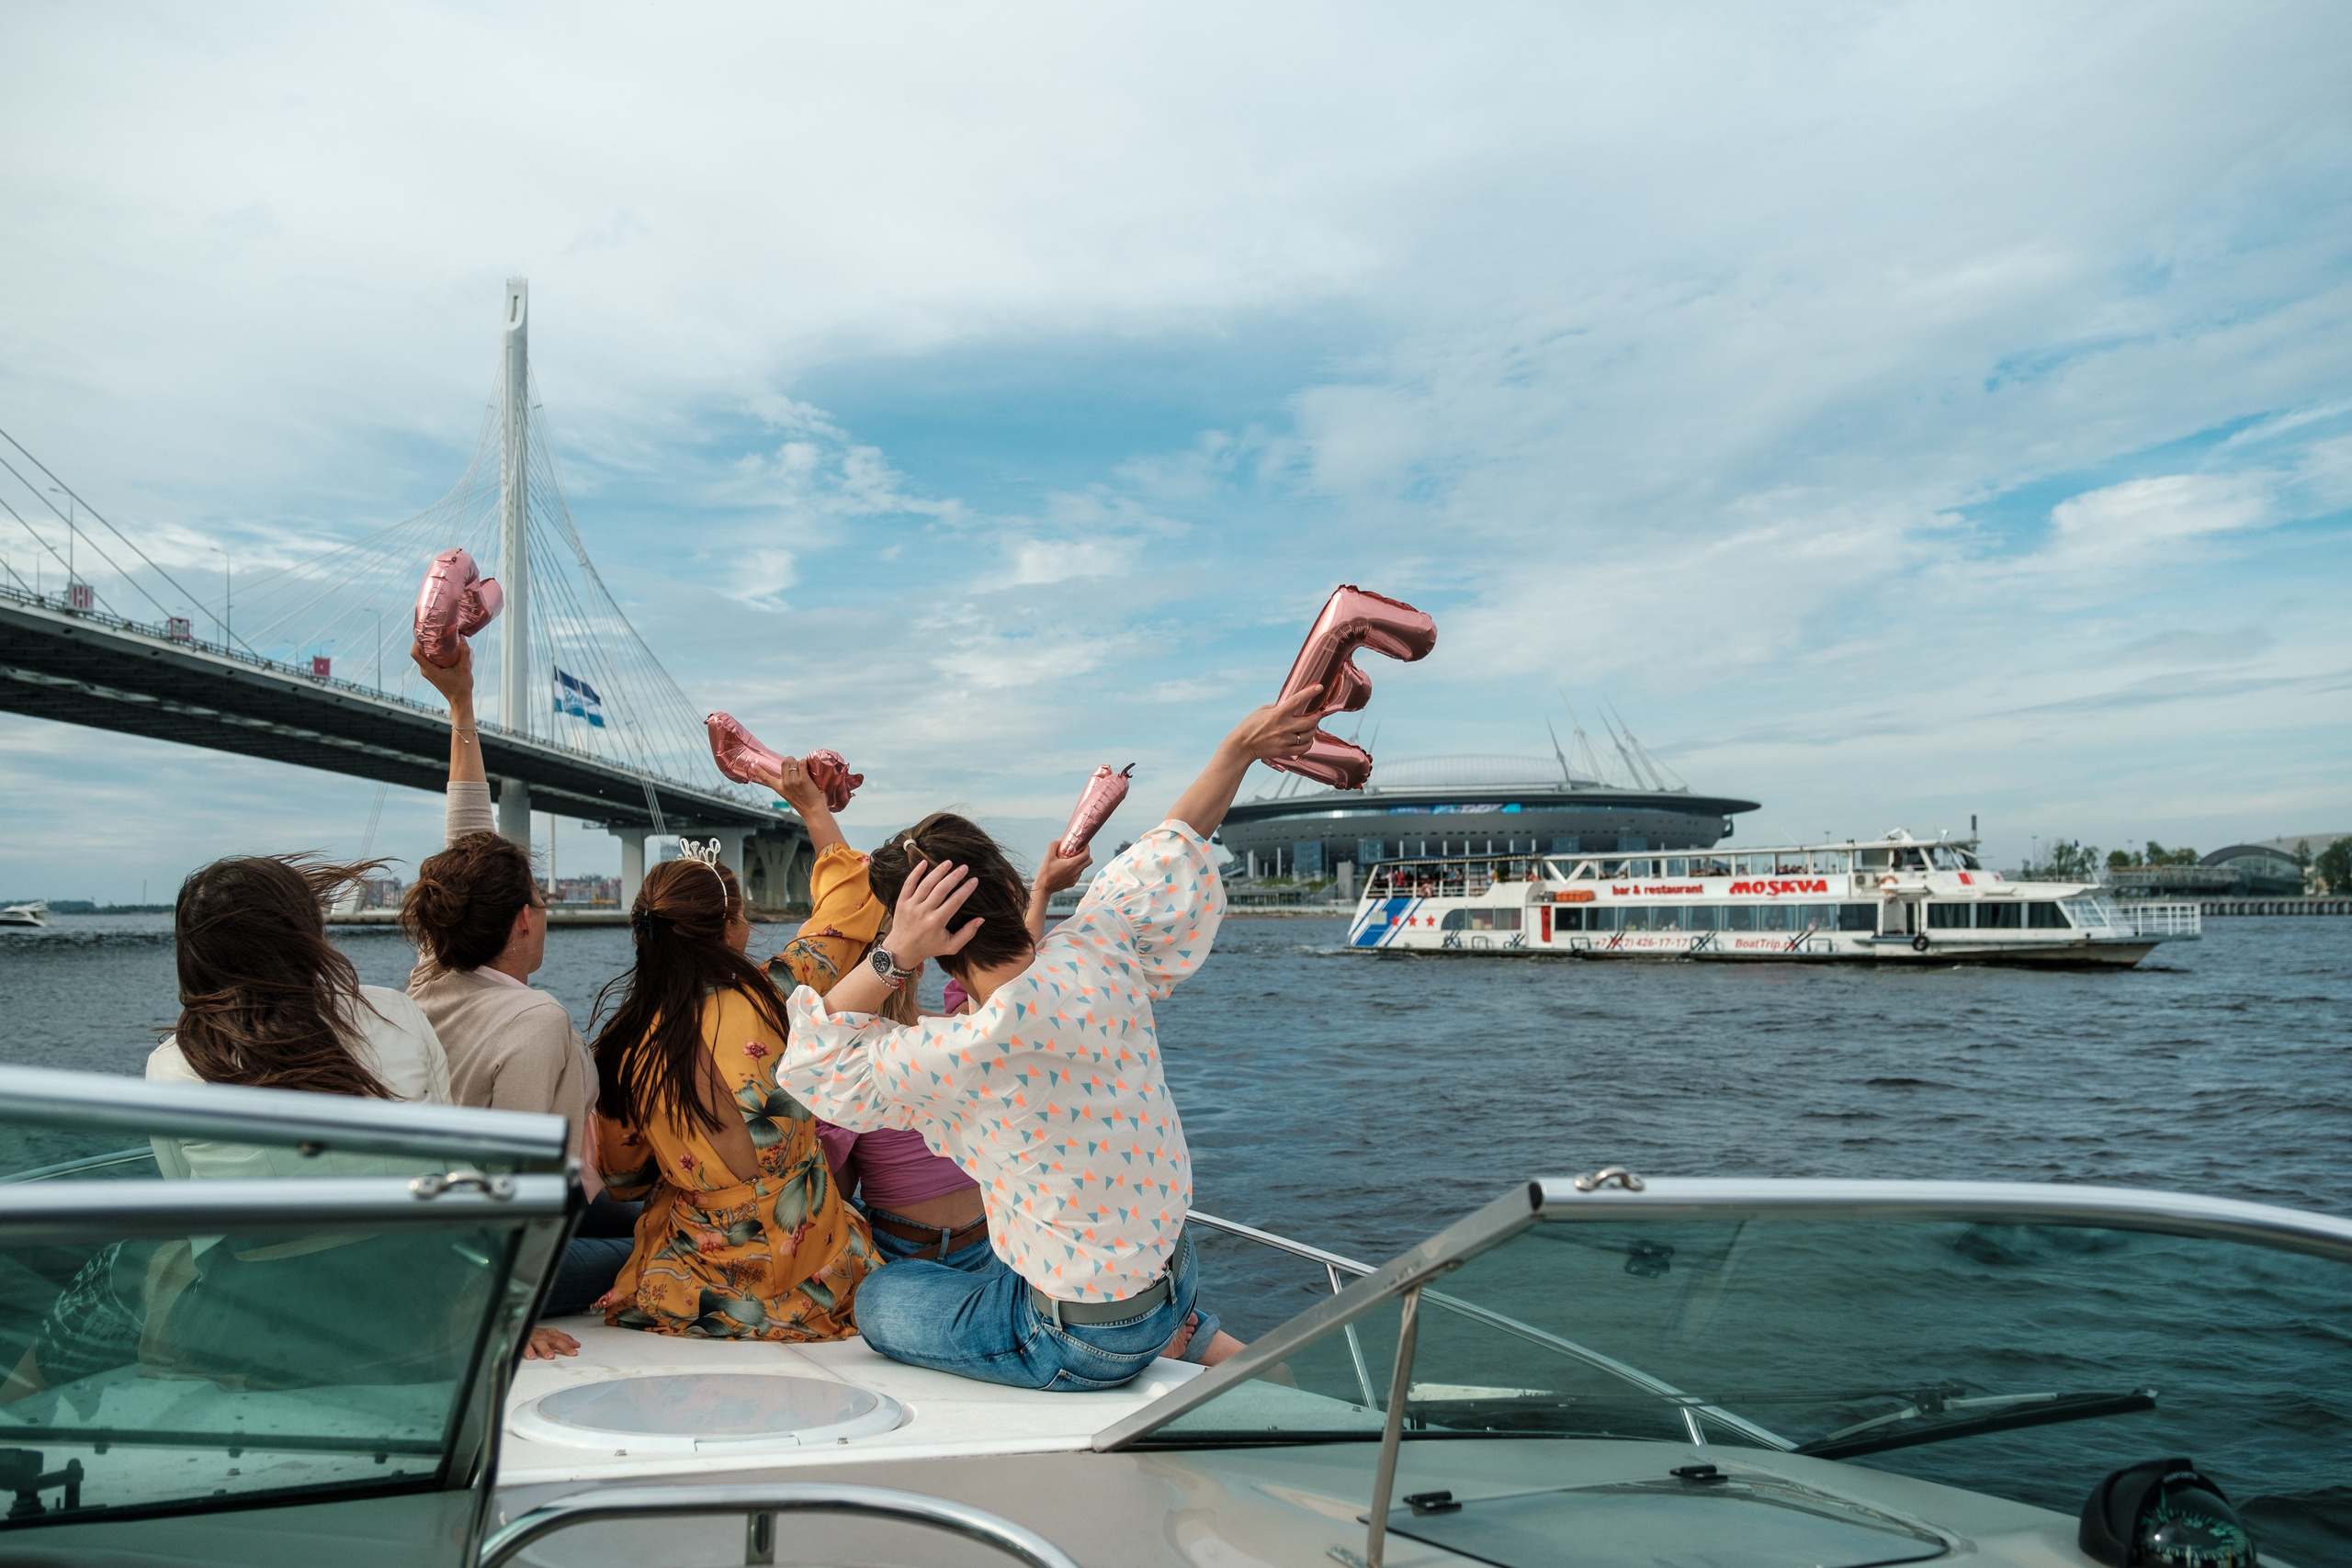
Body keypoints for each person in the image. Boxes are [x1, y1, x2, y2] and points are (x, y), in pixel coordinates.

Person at [776, 686, 1323, 1391]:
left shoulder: (957, 1052)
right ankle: (1191, 1335)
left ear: (933, 947)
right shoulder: (1099, 945)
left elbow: (813, 1058)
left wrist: (895, 954)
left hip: (1084, 1341)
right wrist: (1238, 748)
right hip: (1173, 1279)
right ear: (1009, 882)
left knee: (883, 1299)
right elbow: (1174, 841)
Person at [7, 855, 457, 1400]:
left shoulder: (175, 1063)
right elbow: (453, 1163)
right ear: (307, 935)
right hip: (420, 1302)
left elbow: (197, 1220)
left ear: (196, 954)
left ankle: (22, 1408)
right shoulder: (397, 1014)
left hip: (266, 1328)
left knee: (117, 1265)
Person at [587, 753, 878, 1342]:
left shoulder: (623, 1045)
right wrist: (814, 808)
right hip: (816, 1267)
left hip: (698, 1284)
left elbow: (621, 1181)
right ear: (727, 929)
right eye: (742, 918)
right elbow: (850, 910)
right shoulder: (781, 993)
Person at [405, 643, 615, 1359]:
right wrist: (501, 1319)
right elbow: (522, 1185)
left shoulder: (437, 966)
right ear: (523, 920)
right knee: (658, 1245)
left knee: (650, 1214)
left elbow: (467, 843)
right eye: (540, 901)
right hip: (474, 1274)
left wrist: (461, 706)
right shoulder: (535, 1021)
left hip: (436, 1234)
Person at [820, 851, 1088, 1273]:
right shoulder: (962, 1032)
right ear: (923, 963)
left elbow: (838, 1188)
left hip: (905, 1250)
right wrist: (1042, 892)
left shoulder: (851, 1066)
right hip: (994, 1243)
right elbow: (1016, 982)